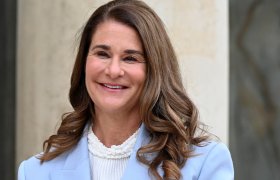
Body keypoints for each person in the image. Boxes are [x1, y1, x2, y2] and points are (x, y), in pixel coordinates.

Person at [18, 0, 234, 179]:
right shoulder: (35, 172)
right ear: (83, 62)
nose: (113, 70)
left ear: (154, 70)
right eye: (102, 54)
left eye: (130, 58)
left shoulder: (204, 163)